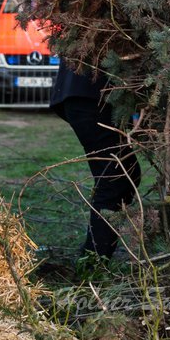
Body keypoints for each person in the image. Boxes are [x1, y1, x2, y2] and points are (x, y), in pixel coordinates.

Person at [50, 60, 140, 258]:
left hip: (83, 94)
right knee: (114, 178)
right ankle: (94, 261)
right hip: (88, 96)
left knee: (124, 173)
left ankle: (95, 254)